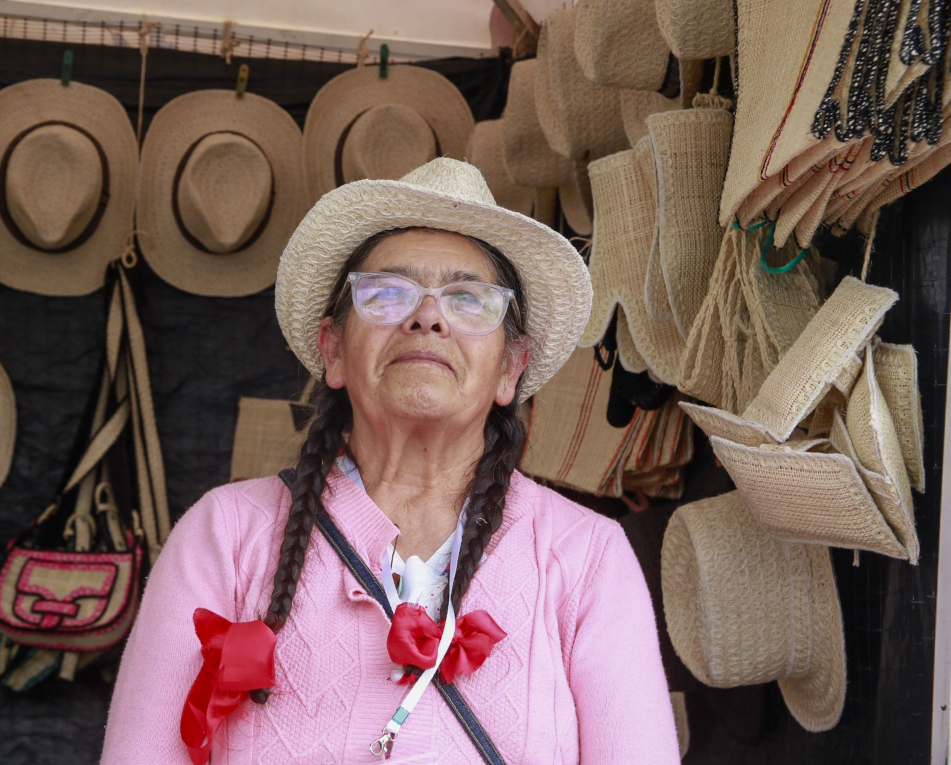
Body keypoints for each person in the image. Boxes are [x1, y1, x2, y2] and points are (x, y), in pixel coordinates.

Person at [101, 159, 678, 764]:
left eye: (469, 300)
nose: (427, 317)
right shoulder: (226, 534)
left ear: (510, 368)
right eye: (387, 294)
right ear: (333, 350)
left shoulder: (584, 556)